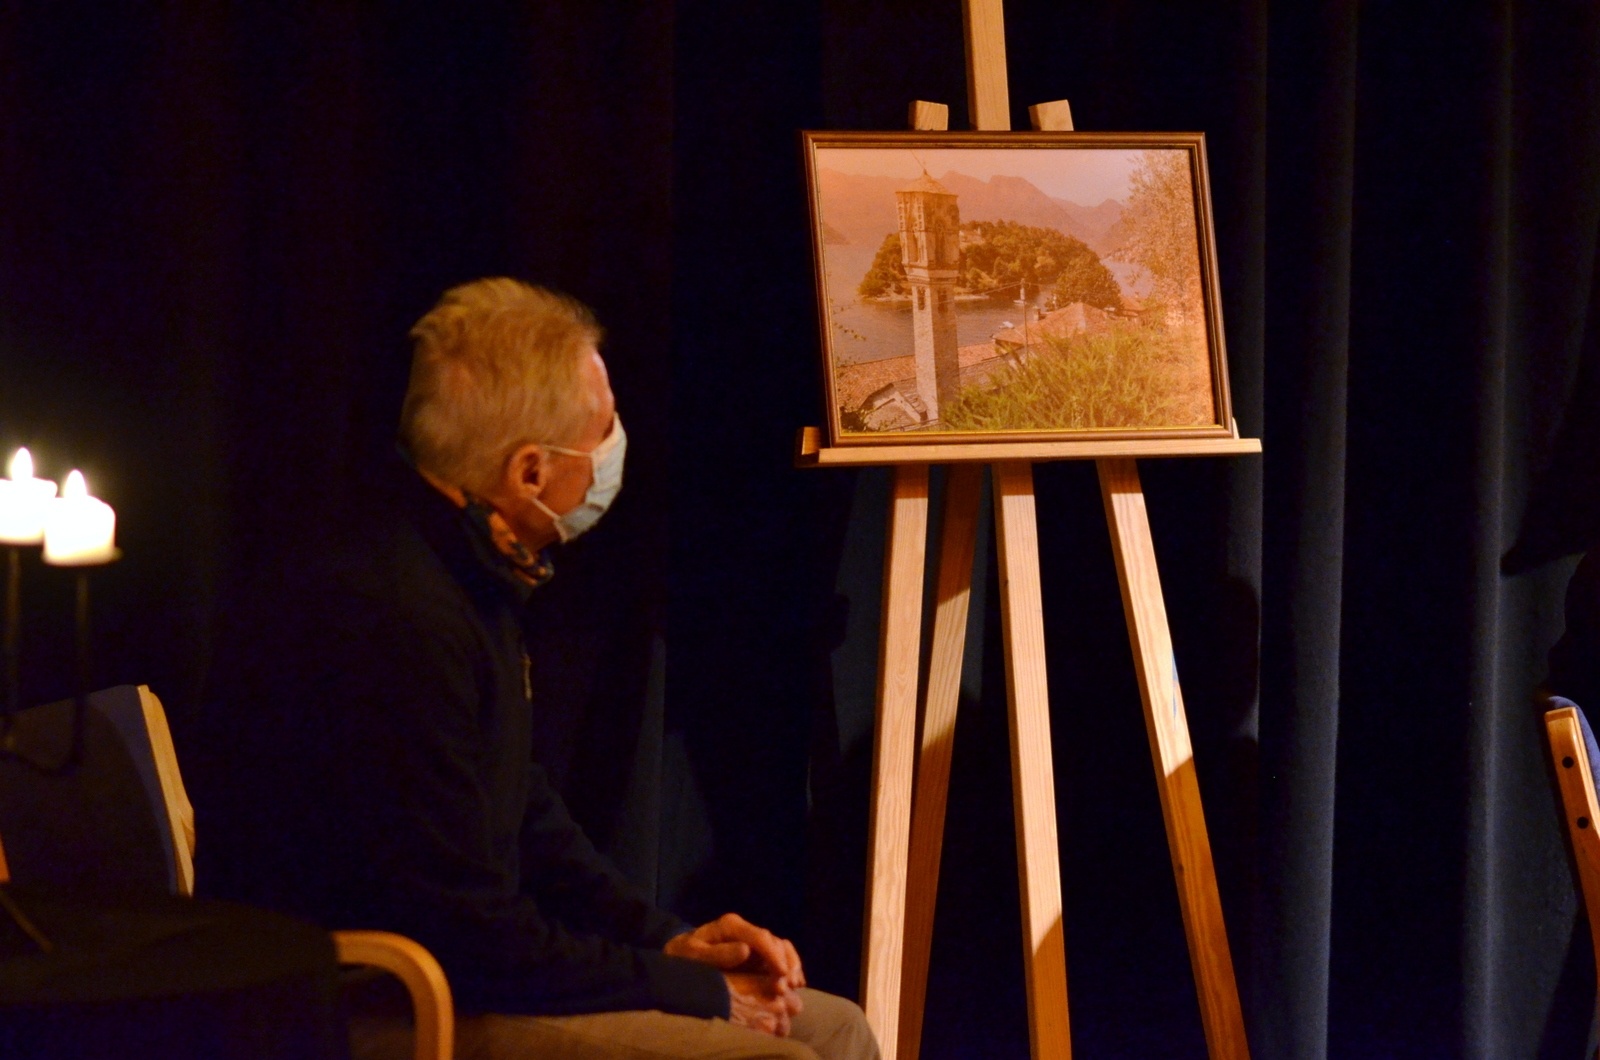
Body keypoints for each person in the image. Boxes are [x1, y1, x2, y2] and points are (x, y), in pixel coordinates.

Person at [192, 278, 878, 1060]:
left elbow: (523, 806)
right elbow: (473, 938)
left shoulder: (469, 567)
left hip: (470, 972)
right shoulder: (390, 615)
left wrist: (671, 941)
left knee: (840, 1027)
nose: (617, 446)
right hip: (380, 1001)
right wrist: (688, 989)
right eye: (604, 430)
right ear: (529, 473)